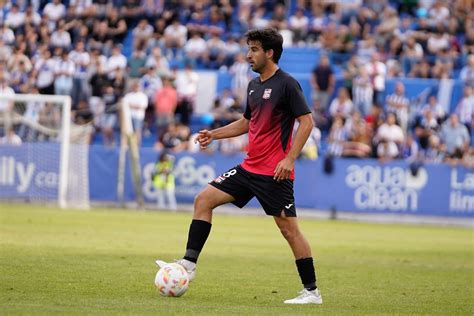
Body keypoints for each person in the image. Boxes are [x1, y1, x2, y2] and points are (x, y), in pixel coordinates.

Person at [156, 28, 322, 305]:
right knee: (204, 199)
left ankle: (312, 291)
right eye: (249, 49)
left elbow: (307, 122)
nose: (248, 55)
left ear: (269, 53)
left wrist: (290, 158)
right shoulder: (254, 86)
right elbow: (247, 123)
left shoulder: (287, 84)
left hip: (274, 173)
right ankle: (188, 264)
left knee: (289, 231)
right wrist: (214, 134)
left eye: (254, 49)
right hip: (249, 168)